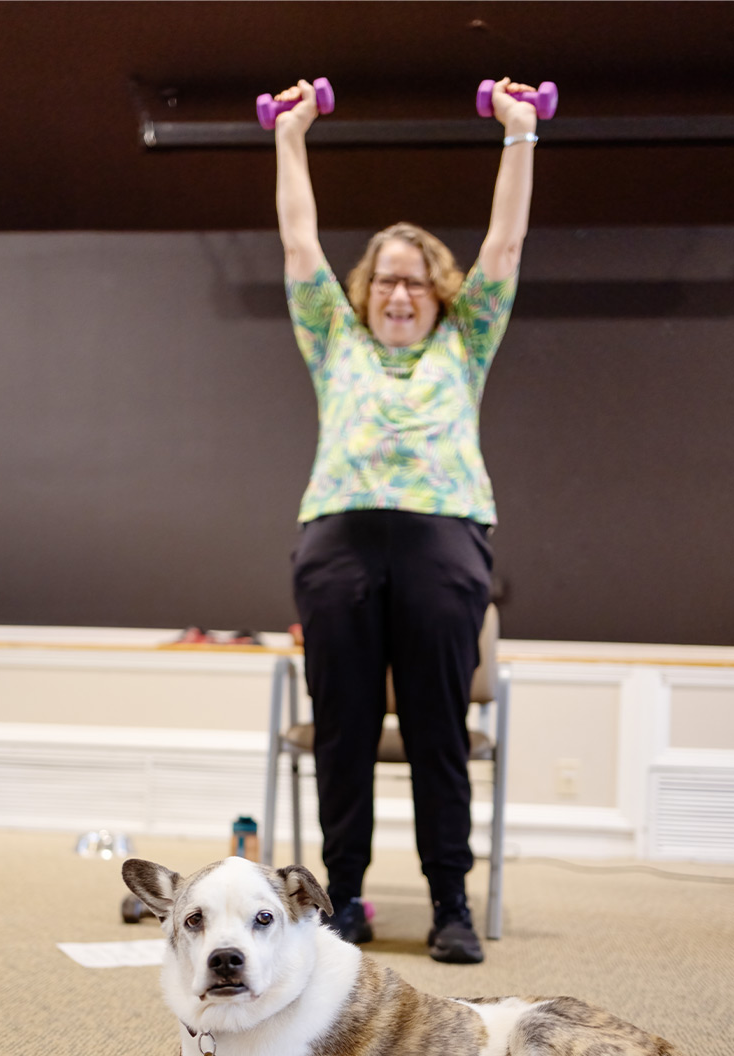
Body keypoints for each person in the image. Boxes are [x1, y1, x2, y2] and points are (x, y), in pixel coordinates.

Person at [275, 76, 537, 963]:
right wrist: (291, 133)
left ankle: (449, 903)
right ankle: (341, 898)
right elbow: (297, 237)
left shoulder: (467, 342)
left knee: (436, 728)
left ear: (440, 292)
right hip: (339, 535)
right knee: (344, 725)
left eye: (416, 280)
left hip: (444, 537)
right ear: (364, 289)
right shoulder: (332, 336)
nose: (398, 293)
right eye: (385, 278)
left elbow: (504, 243)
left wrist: (520, 133)